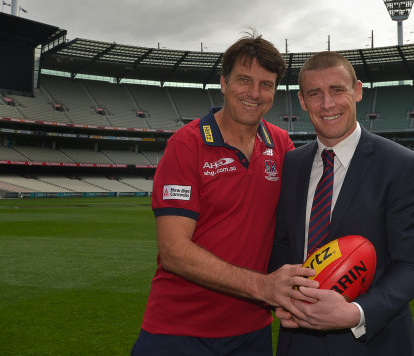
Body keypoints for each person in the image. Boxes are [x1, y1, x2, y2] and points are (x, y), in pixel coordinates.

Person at [132, 32, 318, 356]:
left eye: (266, 84)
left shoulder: (282, 145)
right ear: (223, 82)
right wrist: (264, 286)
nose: (254, 93)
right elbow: (174, 251)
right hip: (178, 331)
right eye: (244, 80)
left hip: (252, 331)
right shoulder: (186, 145)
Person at [268, 51, 414, 356]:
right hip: (298, 340)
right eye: (315, 93)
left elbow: (413, 266)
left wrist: (356, 312)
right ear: (302, 101)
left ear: (356, 91)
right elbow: (283, 245)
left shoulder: (401, 165)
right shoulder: (292, 164)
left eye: (337, 90)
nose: (327, 104)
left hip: (373, 343)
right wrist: (283, 293)